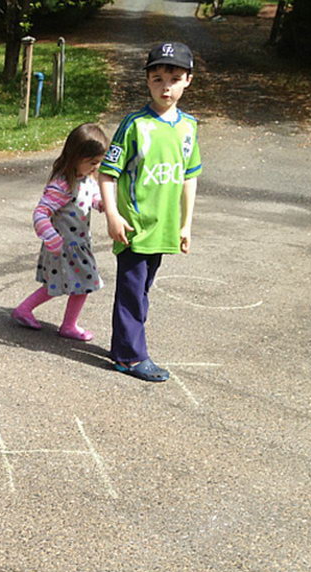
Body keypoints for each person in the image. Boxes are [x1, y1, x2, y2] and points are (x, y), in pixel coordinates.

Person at [99, 41, 202, 381]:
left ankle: (124, 347)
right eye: (157, 78)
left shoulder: (188, 126)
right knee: (131, 292)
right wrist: (113, 215)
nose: (165, 86)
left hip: (164, 227)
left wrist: (185, 225)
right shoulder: (134, 125)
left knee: (141, 291)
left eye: (173, 78)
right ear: (147, 81)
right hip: (134, 227)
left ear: (188, 79)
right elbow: (107, 174)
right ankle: (129, 357)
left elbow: (189, 177)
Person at [12, 122, 109, 341]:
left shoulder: (85, 177)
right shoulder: (62, 184)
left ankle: (24, 310)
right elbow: (40, 213)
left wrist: (99, 203)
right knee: (81, 285)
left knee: (60, 285)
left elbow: (89, 196)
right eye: (92, 162)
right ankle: (68, 326)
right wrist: (51, 236)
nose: (96, 167)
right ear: (76, 157)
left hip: (78, 245)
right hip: (64, 246)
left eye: (99, 162)